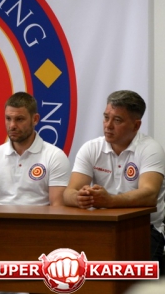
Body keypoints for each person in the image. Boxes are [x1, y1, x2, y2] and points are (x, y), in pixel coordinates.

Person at [63, 90, 165, 271]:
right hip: (101, 226)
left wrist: (110, 201)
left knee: (133, 280)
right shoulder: (91, 148)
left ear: (136, 125)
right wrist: (79, 198)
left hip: (144, 229)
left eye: (117, 120)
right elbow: (68, 193)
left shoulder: (150, 149)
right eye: (106, 117)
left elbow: (149, 194)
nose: (108, 126)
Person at [0, 92, 70, 206]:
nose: (12, 125)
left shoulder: (55, 156)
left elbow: (58, 207)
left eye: (19, 119)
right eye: (8, 118)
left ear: (35, 119)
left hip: (38, 217)